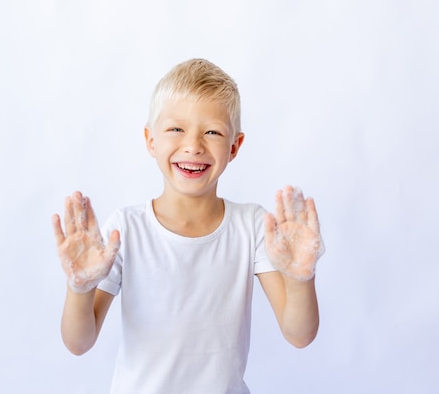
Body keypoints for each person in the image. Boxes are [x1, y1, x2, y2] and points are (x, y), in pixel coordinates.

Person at [51, 58, 324, 394]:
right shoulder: (126, 229)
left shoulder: (252, 226)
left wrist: (300, 279)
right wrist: (79, 288)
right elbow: (79, 342)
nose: (193, 145)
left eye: (212, 132)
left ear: (234, 147)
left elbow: (300, 334)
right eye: (176, 129)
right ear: (151, 140)